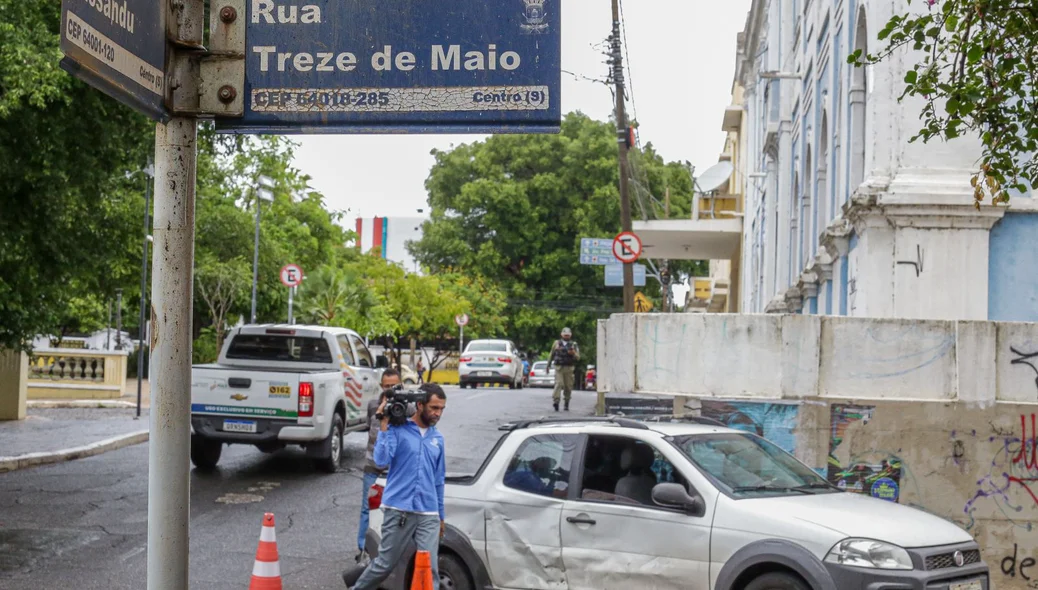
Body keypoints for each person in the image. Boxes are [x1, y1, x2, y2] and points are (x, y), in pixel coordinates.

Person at [345, 383, 448, 590]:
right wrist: (384, 425)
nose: (438, 413)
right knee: (384, 565)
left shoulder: (438, 439)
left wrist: (440, 515)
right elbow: (381, 459)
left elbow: (438, 480)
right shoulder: (398, 430)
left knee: (430, 569)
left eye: (441, 409)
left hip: (428, 512)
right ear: (420, 405)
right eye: (434, 408)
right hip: (398, 509)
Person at [354, 368, 402, 566]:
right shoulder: (374, 405)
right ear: (382, 386)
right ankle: (363, 550)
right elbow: (370, 430)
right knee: (367, 510)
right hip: (373, 467)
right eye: (387, 386)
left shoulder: (406, 407)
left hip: (397, 470)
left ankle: (391, 551)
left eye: (395, 386)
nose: (390, 390)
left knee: (395, 511)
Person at [550, 327, 580, 412]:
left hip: (569, 368)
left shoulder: (573, 344)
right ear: (561, 334)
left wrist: (573, 353)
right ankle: (556, 401)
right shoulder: (556, 343)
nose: (566, 336)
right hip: (559, 367)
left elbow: (578, 357)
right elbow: (551, 354)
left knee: (568, 386)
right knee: (558, 384)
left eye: (568, 335)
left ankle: (566, 402)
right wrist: (548, 365)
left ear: (570, 335)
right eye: (565, 335)